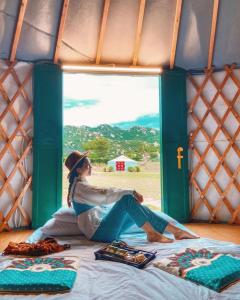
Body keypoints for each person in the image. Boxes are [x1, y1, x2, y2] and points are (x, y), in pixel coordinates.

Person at [65, 151, 197, 243]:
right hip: (99, 233)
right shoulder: (80, 188)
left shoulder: (80, 185)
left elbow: (103, 195)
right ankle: (152, 233)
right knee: (128, 199)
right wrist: (131, 191)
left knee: (137, 206)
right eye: (87, 164)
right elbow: (105, 193)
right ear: (78, 169)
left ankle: (175, 231)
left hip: (105, 230)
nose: (91, 166)